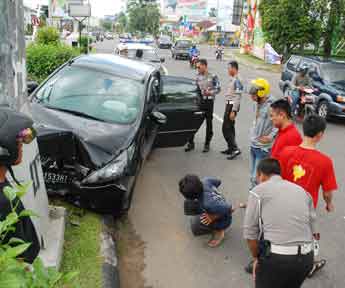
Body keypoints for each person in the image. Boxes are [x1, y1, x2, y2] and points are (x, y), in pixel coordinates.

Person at [277, 115, 337, 277]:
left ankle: (278, 260)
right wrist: (329, 204)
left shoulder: (286, 152)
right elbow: (327, 192)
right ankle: (307, 265)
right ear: (320, 135)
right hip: (305, 209)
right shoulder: (325, 162)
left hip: (283, 202)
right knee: (307, 237)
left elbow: (277, 178)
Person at [243, 158, 316, 288]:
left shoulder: (258, 191)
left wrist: (257, 259)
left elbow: (250, 234)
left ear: (261, 174)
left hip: (277, 260)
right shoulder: (303, 191)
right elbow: (312, 227)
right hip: (307, 259)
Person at [0, 107, 40, 263]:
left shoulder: (3, 182)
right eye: (19, 141)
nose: (22, 145)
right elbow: (17, 259)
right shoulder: (4, 203)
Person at [179, 175, 232, 247]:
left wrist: (213, 217)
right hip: (215, 203)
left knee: (195, 226)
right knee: (188, 205)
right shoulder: (205, 181)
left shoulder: (208, 204)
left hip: (223, 217)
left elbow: (229, 208)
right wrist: (212, 193)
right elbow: (218, 181)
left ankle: (219, 232)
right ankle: (208, 215)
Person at [185, 59, 221, 153]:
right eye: (196, 67)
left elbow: (218, 88)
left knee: (209, 124)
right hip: (199, 102)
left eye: (199, 67)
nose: (197, 68)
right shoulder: (197, 77)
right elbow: (194, 89)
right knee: (193, 122)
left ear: (205, 66)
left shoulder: (213, 76)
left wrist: (210, 92)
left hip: (209, 103)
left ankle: (207, 144)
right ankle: (190, 143)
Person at [248, 78, 276, 189]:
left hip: (263, 149)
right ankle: (252, 199)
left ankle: (257, 201)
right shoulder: (257, 103)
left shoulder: (272, 106)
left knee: (257, 178)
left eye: (253, 95)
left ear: (261, 92)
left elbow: (278, 124)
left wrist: (270, 137)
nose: (252, 97)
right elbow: (256, 122)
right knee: (252, 176)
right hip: (253, 145)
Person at [221, 61, 243, 160]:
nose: (228, 70)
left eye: (229, 68)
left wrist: (233, 110)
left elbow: (238, 97)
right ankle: (231, 148)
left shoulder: (237, 80)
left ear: (234, 68)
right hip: (229, 104)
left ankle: (235, 148)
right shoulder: (233, 79)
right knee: (230, 127)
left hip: (232, 105)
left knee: (226, 127)